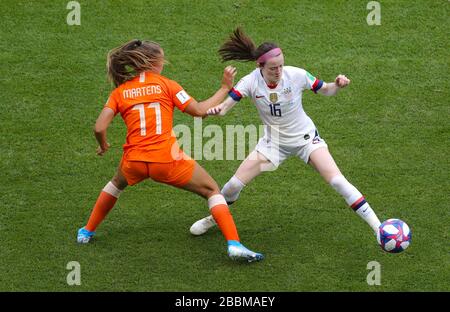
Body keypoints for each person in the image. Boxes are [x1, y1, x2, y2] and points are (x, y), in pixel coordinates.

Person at [77, 39, 263, 262]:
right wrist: (224, 87)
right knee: (212, 190)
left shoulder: (121, 92)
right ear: (154, 62)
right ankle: (234, 244)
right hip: (166, 160)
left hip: (134, 161)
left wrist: (103, 144)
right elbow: (200, 111)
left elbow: (99, 127)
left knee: (116, 184)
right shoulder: (167, 85)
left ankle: (86, 232)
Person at [190, 28, 382, 241]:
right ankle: (213, 218)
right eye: (273, 68)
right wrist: (219, 110)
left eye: (280, 66)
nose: (278, 71)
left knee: (337, 181)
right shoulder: (250, 82)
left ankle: (379, 229)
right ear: (259, 66)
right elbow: (226, 106)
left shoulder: (296, 75)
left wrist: (336, 85)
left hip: (306, 141)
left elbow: (325, 90)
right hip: (273, 145)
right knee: (233, 185)